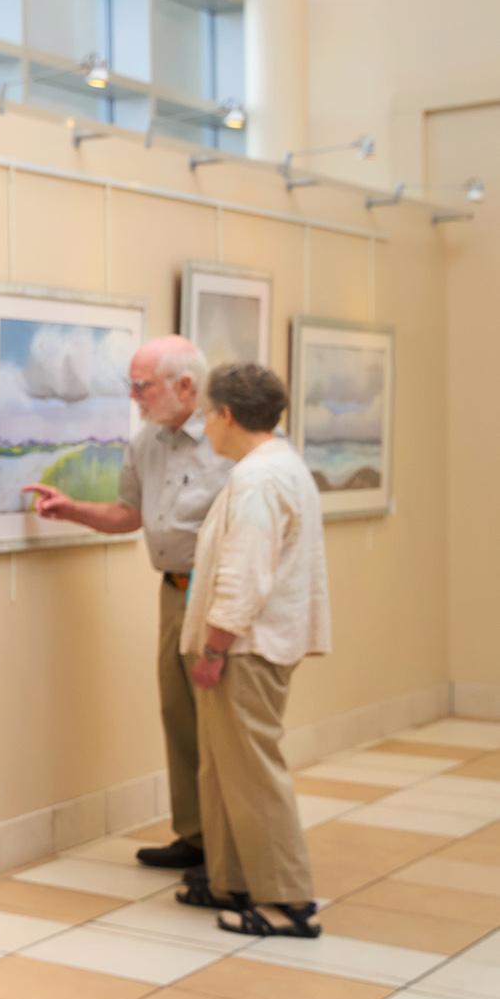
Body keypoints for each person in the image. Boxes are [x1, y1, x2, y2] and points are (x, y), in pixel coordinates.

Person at [23, 336, 230, 873]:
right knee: (179, 717)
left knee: (223, 725)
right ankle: (196, 836)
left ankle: (231, 848)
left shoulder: (230, 442)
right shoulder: (146, 444)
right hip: (173, 594)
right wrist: (71, 511)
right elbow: (127, 514)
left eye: (143, 386)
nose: (135, 396)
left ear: (186, 387)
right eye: (131, 385)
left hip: (218, 595)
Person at [174, 361, 330, 937]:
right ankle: (231, 879)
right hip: (252, 645)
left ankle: (285, 901)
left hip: (246, 650)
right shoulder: (275, 468)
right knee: (225, 769)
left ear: (228, 415)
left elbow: (244, 578)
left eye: (207, 414)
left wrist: (213, 650)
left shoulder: (258, 481)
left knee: (253, 773)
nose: (204, 426)